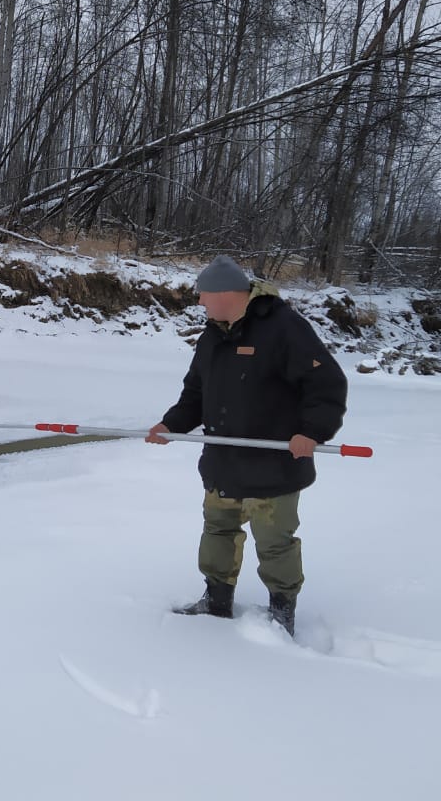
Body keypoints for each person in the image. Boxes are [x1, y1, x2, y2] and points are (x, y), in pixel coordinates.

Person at [145, 255, 348, 636]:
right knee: (217, 531)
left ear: (225, 294)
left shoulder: (284, 328)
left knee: (275, 542)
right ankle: (217, 601)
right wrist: (171, 424)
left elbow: (327, 386)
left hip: (273, 463)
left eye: (204, 296)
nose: (201, 303)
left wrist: (312, 432)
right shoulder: (212, 334)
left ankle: (281, 610)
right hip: (223, 459)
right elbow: (196, 392)